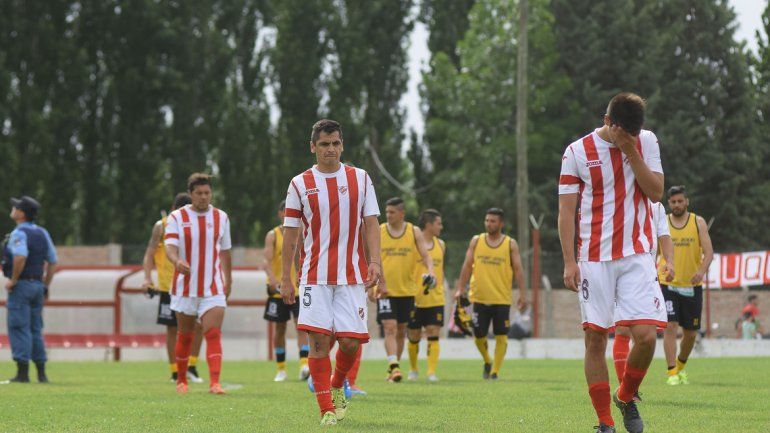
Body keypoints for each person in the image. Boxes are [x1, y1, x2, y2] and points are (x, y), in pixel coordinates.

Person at [559, 93, 666, 433]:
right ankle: (605, 422)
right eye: (626, 134)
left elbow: (655, 192)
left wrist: (630, 149)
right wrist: (568, 262)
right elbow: (565, 212)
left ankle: (626, 395)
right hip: (593, 258)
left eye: (637, 134)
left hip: (636, 254)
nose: (634, 138)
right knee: (595, 339)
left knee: (646, 337)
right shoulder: (577, 152)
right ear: (609, 122)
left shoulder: (645, 141)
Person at [280, 119, 384, 426]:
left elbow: (371, 224)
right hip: (314, 277)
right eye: (324, 144)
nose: (331, 149)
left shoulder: (361, 179)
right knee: (319, 342)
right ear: (313, 147)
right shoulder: (299, 184)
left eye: (336, 143)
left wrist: (375, 261)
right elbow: (290, 234)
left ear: (342, 145)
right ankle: (326, 408)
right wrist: (286, 277)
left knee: (351, 343)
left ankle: (338, 384)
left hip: (352, 275)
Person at [164, 173, 232, 395]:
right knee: (185, 335)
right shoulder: (177, 217)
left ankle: (215, 383)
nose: (204, 197)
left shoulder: (221, 217)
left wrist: (228, 280)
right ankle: (181, 380)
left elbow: (225, 252)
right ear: (191, 194)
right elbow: (170, 248)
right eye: (199, 193)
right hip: (185, 287)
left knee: (213, 333)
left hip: (212, 287)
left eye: (207, 193)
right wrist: (176, 261)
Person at [453, 208, 527, 380]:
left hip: (501, 299)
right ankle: (487, 360)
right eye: (487, 220)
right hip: (478, 297)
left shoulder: (510, 244)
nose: (489, 224)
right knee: (478, 335)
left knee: (501, 335)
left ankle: (494, 372)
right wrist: (460, 288)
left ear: (501, 223)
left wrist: (523, 294)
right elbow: (466, 265)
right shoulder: (476, 241)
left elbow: (518, 270)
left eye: (493, 221)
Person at [612, 200, 674, 400]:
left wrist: (670, 262)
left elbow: (664, 236)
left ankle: (630, 388)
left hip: (646, 274)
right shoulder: (619, 197)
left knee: (646, 334)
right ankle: (626, 389)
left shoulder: (656, 206)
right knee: (622, 329)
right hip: (620, 269)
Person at [140, 192, 205, 383]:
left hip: (193, 284)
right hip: (168, 286)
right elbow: (149, 255)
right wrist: (147, 278)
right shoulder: (161, 226)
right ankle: (175, 371)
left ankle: (191, 367)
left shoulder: (197, 224)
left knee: (198, 326)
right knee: (172, 329)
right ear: (173, 210)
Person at [658, 185, 713, 385]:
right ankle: (672, 372)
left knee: (690, 334)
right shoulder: (662, 223)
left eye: (680, 201)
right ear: (669, 203)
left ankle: (681, 366)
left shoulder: (698, 222)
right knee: (670, 326)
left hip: (691, 285)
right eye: (673, 202)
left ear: (687, 201)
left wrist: (700, 272)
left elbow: (709, 253)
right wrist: (662, 270)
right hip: (668, 284)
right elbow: (653, 253)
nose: (677, 205)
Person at [378, 197, 434, 382]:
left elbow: (426, 256)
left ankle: (394, 367)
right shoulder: (379, 231)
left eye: (392, 212)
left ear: (402, 214)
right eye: (387, 212)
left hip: (407, 291)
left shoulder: (413, 231)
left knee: (402, 330)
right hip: (385, 290)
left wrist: (431, 272)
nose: (388, 215)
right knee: (390, 327)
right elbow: (372, 258)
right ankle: (394, 367)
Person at [2, 196, 57, 383]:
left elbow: (20, 257)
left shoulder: (19, 233)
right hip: (37, 286)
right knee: (35, 328)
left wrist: (13, 280)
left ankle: (22, 373)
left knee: (19, 327)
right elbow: (53, 261)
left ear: (22, 213)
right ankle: (41, 373)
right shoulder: (42, 233)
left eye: (16, 207)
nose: (13, 209)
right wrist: (45, 285)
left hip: (22, 285)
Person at [263, 200, 309, 382]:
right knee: (280, 329)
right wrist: (273, 280)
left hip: (298, 289)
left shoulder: (300, 233)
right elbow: (266, 261)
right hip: (278, 290)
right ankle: (281, 369)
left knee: (301, 326)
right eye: (285, 212)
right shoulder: (272, 235)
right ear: (280, 214)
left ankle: (304, 365)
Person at [407, 209, 446, 382]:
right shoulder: (413, 244)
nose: (441, 227)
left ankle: (431, 372)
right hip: (415, 297)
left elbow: (441, 271)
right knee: (414, 334)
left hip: (436, 297)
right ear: (429, 225)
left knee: (433, 331)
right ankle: (413, 369)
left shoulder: (441, 244)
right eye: (438, 223)